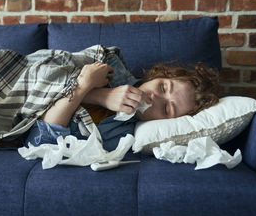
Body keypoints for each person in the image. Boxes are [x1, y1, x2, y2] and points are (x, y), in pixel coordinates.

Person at [24, 59, 221, 152]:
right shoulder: (112, 66)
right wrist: (103, 94)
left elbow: (40, 142)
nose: (153, 98)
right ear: (159, 75)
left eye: (167, 109)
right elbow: (47, 73)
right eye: (162, 87)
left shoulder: (119, 136)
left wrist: (86, 88)